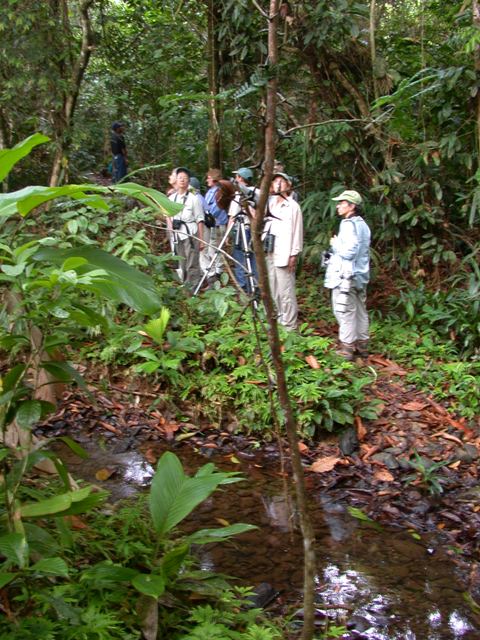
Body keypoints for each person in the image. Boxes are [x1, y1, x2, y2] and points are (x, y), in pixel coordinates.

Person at [323, 189, 371, 360]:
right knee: (359, 309)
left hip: (345, 276)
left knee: (344, 310)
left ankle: (347, 348)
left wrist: (335, 244)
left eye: (342, 203)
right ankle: (362, 344)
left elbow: (350, 252)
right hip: (360, 275)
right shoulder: (363, 224)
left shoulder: (348, 224)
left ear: (352, 206)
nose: (338, 206)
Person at [262, 171, 303, 330]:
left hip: (285, 253)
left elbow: (297, 231)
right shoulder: (270, 203)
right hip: (270, 250)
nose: (278, 184)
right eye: (275, 181)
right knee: (274, 289)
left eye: (282, 181)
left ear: (289, 185)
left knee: (286, 291)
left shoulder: (293, 206)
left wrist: (294, 254)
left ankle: (291, 327)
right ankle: (280, 319)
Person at [167, 167, 205, 289]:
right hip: (178, 234)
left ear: (189, 181)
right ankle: (184, 286)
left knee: (192, 262)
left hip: (191, 233)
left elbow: (200, 219)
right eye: (180, 178)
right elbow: (167, 214)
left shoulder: (194, 199)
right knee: (181, 262)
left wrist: (201, 239)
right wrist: (171, 229)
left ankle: (193, 288)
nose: (182, 180)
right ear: (176, 180)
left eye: (185, 178)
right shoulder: (172, 199)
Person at [226, 167, 258, 293]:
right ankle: (255, 286)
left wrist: (228, 235)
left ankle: (243, 287)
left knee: (240, 259)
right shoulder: (257, 192)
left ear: (240, 178)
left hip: (242, 230)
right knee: (253, 259)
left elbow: (233, 217)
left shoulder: (240, 195)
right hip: (253, 229)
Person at [202, 168, 229, 282]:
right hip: (212, 223)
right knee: (213, 248)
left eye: (209, 177)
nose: (207, 180)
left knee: (215, 248)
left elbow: (216, 208)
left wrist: (207, 214)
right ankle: (217, 270)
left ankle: (218, 271)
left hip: (217, 224)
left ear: (213, 179)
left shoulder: (219, 191)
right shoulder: (211, 191)